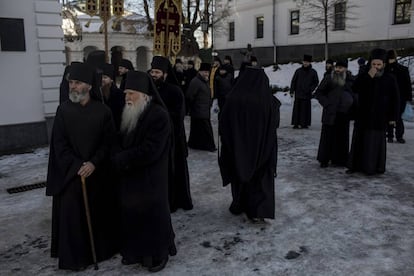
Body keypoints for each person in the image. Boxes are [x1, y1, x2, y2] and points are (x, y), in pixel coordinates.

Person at [46, 62, 119, 271]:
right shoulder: (63, 110)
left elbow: (108, 143)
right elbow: (59, 144)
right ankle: (75, 257)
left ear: (88, 85)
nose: (72, 87)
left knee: (101, 208)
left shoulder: (103, 111)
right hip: (71, 173)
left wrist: (94, 163)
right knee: (71, 206)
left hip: (98, 172)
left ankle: (101, 251)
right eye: (70, 83)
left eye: (77, 83)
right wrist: (79, 165)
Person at [113, 71, 177, 272]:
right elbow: (121, 138)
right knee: (133, 215)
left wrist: (123, 158)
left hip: (151, 177)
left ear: (144, 94)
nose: (127, 98)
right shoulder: (130, 110)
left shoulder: (159, 115)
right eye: (125, 94)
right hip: (131, 176)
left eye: (131, 93)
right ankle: (135, 252)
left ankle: (159, 254)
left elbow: (151, 150)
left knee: (153, 217)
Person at [219, 67, 280, 223]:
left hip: (238, 148)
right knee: (261, 178)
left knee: (239, 175)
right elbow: (275, 124)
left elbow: (223, 122)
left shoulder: (233, 99)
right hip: (263, 148)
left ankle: (240, 204)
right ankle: (259, 209)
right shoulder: (270, 102)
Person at [149, 56, 193, 212]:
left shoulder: (175, 91)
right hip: (153, 139)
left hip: (173, 139)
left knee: (174, 171)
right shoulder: (149, 89)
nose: (154, 75)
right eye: (152, 71)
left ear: (165, 74)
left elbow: (178, 116)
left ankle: (174, 200)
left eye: (157, 72)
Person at [347, 48, 400, 175]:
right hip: (363, 114)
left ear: (384, 65)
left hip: (379, 116)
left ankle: (372, 167)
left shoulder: (389, 78)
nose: (376, 67)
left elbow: (395, 98)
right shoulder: (365, 74)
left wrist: (393, 117)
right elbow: (355, 88)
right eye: (374, 64)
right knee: (360, 140)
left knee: (374, 143)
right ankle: (355, 166)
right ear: (370, 63)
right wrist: (367, 76)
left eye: (379, 64)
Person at [314, 59, 355, 168]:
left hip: (344, 114)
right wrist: (326, 103)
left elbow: (355, 93)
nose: (338, 69)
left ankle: (340, 159)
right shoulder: (329, 78)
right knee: (328, 137)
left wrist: (351, 104)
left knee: (342, 137)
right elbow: (318, 92)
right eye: (337, 67)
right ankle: (324, 159)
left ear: (345, 68)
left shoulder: (350, 80)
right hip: (330, 112)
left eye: (341, 68)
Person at [186, 62, 216, 151]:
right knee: (206, 130)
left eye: (208, 72)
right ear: (200, 72)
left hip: (203, 109)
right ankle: (210, 146)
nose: (207, 74)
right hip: (198, 110)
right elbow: (189, 95)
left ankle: (195, 144)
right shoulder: (196, 81)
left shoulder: (204, 81)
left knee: (197, 130)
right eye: (205, 72)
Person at [386, 49, 413, 144]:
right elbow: (408, 85)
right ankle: (399, 136)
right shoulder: (403, 69)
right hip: (400, 97)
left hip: (389, 97)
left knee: (390, 116)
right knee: (398, 117)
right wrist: (409, 98)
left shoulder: (385, 69)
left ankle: (390, 135)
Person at [290, 54, 319, 129]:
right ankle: (296, 123)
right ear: (302, 62)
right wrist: (292, 90)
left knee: (305, 109)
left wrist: (310, 89)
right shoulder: (298, 71)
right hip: (298, 93)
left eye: (307, 62)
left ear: (310, 63)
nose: (305, 63)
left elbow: (316, 82)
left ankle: (304, 124)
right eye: (304, 61)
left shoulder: (313, 72)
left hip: (307, 94)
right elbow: (293, 81)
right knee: (297, 109)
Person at [99, 63, 125, 131]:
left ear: (111, 80)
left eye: (105, 77)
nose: (102, 80)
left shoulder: (119, 94)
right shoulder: (97, 93)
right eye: (100, 77)